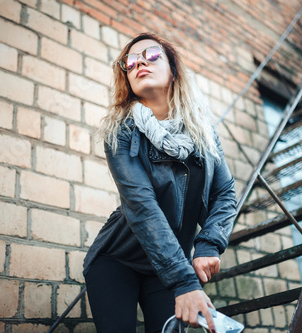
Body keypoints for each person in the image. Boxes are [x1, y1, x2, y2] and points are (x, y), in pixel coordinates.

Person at [83, 32, 237, 333]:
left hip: (167, 266)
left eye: (151, 55)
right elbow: (142, 207)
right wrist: (185, 282)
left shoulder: (204, 133)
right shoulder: (120, 133)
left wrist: (208, 244)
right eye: (130, 61)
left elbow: (225, 193)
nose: (139, 62)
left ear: (173, 69)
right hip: (118, 260)